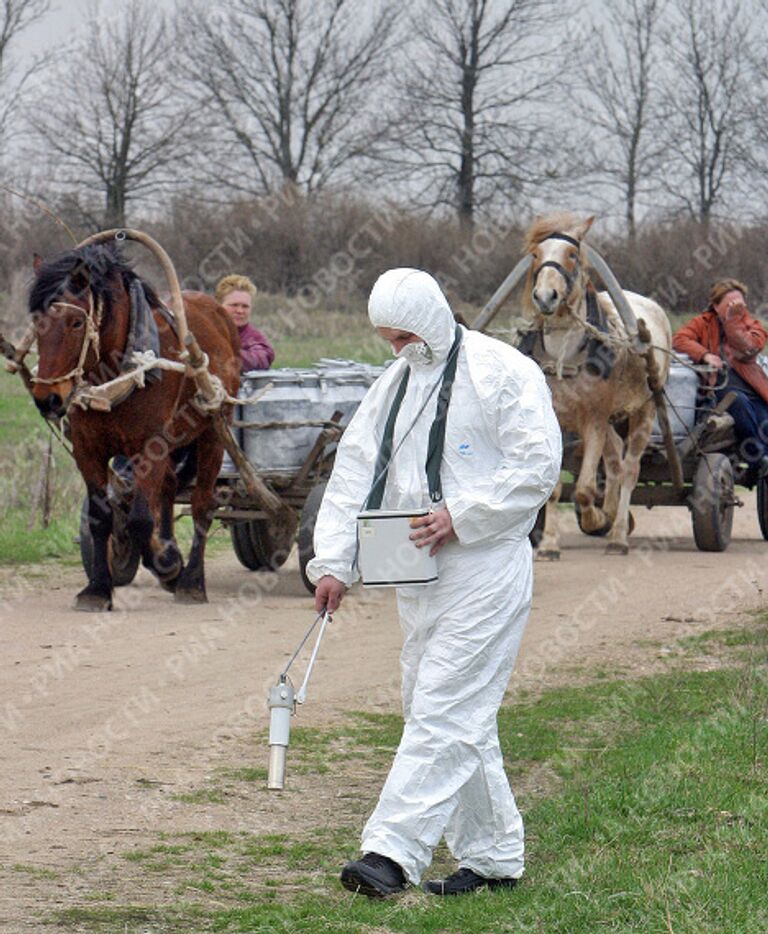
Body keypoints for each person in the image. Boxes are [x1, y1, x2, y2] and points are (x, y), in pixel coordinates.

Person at [305, 268, 562, 898]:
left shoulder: (501, 371)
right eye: (387, 339)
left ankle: (390, 853)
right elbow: (354, 471)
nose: (396, 350)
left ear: (429, 319)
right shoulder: (394, 384)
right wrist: (333, 562)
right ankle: (495, 856)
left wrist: (463, 514)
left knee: (444, 708)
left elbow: (538, 464)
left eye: (402, 336)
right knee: (442, 708)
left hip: (485, 567)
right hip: (416, 573)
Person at [673, 278, 768, 477]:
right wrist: (704, 354)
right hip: (719, 388)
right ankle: (758, 460)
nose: (736, 309)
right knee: (739, 403)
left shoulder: (752, 325)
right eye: (730, 305)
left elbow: (750, 347)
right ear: (715, 306)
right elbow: (679, 339)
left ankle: (757, 466)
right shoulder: (702, 323)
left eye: (739, 305)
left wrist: (733, 322)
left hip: (753, 389)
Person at [214, 274, 275, 372]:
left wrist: (221, 352)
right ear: (218, 305)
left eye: (245, 306)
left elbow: (260, 359)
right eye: (234, 305)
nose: (240, 311)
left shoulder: (254, 338)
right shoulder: (206, 329)